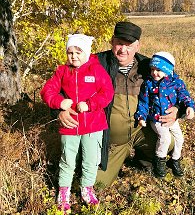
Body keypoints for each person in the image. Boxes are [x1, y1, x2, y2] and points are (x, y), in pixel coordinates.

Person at [57, 22, 179, 186]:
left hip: (140, 131)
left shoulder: (149, 66)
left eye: (129, 45)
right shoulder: (95, 63)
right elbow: (62, 85)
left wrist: (178, 109)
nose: (123, 50)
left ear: (137, 46)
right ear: (112, 41)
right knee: (98, 183)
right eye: (120, 43)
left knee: (169, 141)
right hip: (112, 141)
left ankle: (144, 160)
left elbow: (178, 88)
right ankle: (108, 159)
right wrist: (59, 110)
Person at [41, 34, 114, 211]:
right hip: (70, 125)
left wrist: (89, 105)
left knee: (90, 159)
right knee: (67, 159)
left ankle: (86, 188)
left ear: (87, 53)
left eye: (78, 52)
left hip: (93, 125)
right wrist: (59, 102)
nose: (73, 56)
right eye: (70, 52)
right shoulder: (62, 71)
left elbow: (107, 92)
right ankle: (64, 190)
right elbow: (47, 90)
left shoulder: (96, 70)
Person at [134, 51, 195, 178]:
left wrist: (189, 106)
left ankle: (175, 160)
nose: (154, 73)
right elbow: (143, 102)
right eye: (152, 69)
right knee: (165, 138)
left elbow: (184, 95)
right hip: (156, 119)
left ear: (167, 70)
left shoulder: (176, 83)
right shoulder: (149, 84)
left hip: (172, 119)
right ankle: (159, 161)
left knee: (180, 138)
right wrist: (141, 116)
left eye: (158, 70)